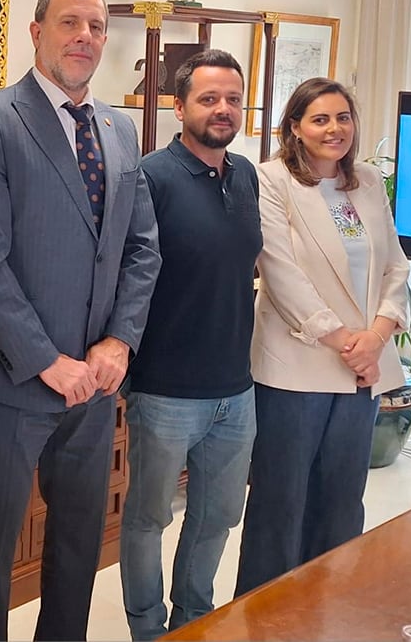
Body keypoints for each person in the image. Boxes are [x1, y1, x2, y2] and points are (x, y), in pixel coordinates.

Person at [0, 0, 161, 641]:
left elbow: (141, 248)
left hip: (94, 390)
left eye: (96, 27)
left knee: (76, 549)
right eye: (70, 23)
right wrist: (46, 361)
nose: (85, 38)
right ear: (35, 32)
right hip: (16, 387)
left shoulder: (120, 132)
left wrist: (117, 344)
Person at [234, 77, 411, 595]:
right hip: (298, 365)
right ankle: (262, 617)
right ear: (294, 127)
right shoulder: (270, 181)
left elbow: (395, 267)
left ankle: (326, 609)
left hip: (363, 371)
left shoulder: (369, 183)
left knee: (341, 501)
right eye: (319, 119)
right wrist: (345, 343)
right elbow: (281, 273)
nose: (334, 129)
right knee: (279, 504)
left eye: (343, 117)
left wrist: (376, 337)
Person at [119, 49, 262, 639]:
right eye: (208, 99)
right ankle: (148, 629)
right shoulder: (151, 177)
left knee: (218, 518)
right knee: (150, 517)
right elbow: (126, 275)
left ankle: (193, 624)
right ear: (180, 107)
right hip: (166, 389)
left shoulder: (247, 174)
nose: (222, 109)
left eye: (232, 98)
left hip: (237, 388)